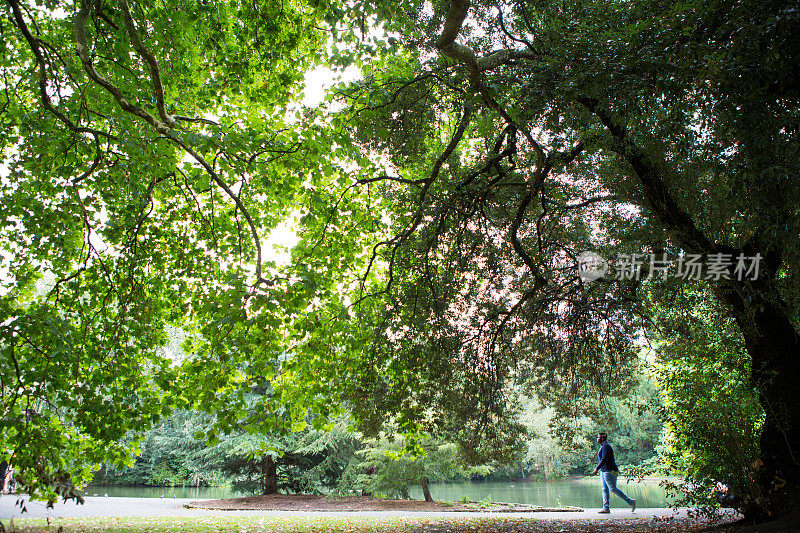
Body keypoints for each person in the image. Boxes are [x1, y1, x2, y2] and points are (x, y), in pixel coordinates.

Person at [591, 432, 636, 513]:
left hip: (610, 471)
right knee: (604, 489)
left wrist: (596, 468)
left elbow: (604, 459)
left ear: (602, 438)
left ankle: (630, 501)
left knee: (612, 488)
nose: (597, 438)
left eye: (598, 437)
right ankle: (606, 508)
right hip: (604, 471)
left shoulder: (606, 447)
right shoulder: (603, 446)